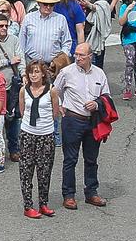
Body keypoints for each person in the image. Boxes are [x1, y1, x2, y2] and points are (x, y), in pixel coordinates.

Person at [53, 40, 111, 209]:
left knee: (91, 159)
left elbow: (107, 96)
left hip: (92, 121)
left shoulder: (99, 74)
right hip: (73, 120)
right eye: (76, 54)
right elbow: (55, 91)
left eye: (81, 55)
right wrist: (61, 107)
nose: (77, 58)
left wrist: (97, 104)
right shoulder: (66, 72)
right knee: (70, 159)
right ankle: (68, 195)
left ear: (90, 56)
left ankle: (91, 192)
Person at [15, 57, 57, 218]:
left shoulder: (52, 90)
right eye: (30, 72)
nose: (33, 75)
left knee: (44, 170)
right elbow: (22, 110)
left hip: (45, 135)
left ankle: (43, 203)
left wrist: (45, 127)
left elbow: (55, 113)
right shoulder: (23, 90)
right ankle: (28, 206)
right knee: (26, 170)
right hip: (27, 134)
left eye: (37, 72)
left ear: (43, 74)